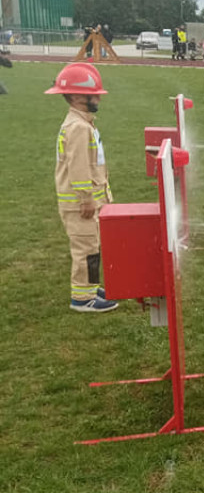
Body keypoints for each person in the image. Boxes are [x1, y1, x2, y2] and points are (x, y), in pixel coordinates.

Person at [45, 63, 118, 312]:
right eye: (93, 93)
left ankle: (89, 286)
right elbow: (78, 167)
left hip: (88, 202)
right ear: (77, 96)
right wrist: (86, 198)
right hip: (80, 205)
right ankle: (82, 299)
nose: (98, 98)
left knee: (92, 246)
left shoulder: (84, 123)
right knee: (85, 247)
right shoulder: (78, 127)